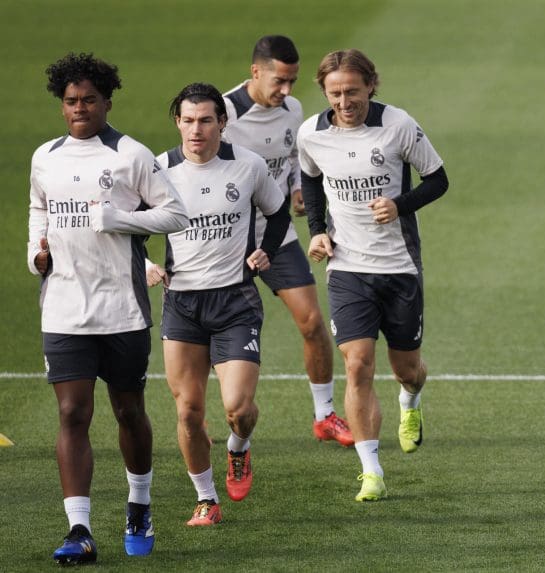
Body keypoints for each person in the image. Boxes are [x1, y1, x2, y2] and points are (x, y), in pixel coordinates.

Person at [27, 53, 189, 565]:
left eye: (89, 100)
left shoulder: (131, 156)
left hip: (121, 309)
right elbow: (39, 209)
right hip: (64, 308)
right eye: (71, 102)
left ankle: (139, 504)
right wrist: (37, 253)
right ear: (62, 106)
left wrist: (119, 218)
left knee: (128, 411)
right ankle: (79, 528)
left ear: (106, 102)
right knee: (73, 412)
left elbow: (176, 214)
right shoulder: (45, 158)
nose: (79, 109)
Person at [297, 49, 449, 502]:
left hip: (399, 266)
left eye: (353, 92)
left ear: (371, 86)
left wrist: (399, 205)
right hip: (348, 269)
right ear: (324, 93)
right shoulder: (311, 133)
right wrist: (319, 232)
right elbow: (309, 181)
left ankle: (411, 400)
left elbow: (438, 179)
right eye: (335, 93)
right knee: (357, 364)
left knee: (407, 369)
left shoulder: (398, 125)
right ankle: (372, 471)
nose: (344, 102)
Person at [146, 83, 291, 525]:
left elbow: (279, 211)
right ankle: (206, 499)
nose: (196, 130)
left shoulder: (246, 166)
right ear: (177, 122)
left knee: (238, 409)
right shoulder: (158, 169)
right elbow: (126, 224)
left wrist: (267, 250)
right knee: (188, 412)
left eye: (205, 120)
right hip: (183, 304)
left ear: (222, 124)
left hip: (235, 301)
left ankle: (238, 448)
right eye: (188, 120)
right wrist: (146, 264)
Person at [222, 35, 352, 447]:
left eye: (293, 81)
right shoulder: (221, 113)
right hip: (225, 244)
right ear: (255, 72)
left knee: (313, 322)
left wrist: (296, 189)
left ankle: (325, 415)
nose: (287, 91)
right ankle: (212, 413)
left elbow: (294, 160)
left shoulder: (292, 110)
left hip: (275, 237)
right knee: (214, 333)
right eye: (279, 81)